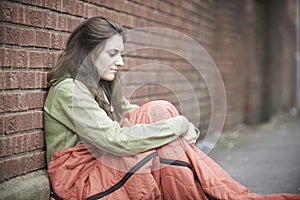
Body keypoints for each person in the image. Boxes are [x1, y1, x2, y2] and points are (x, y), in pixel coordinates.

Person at [44, 17, 300, 200]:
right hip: (79, 180)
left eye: (121, 54)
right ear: (89, 51)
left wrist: (183, 128)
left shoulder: (98, 85)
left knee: (158, 111)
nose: (120, 62)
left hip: (103, 165)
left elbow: (134, 114)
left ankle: (221, 194)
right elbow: (115, 140)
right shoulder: (69, 90)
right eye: (112, 53)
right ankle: (223, 195)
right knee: (159, 116)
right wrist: (178, 126)